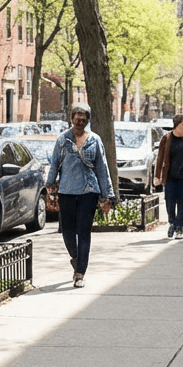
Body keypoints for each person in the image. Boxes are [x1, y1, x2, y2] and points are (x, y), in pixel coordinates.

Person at [45, 102, 113, 288]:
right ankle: (76, 256)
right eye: (77, 119)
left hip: (89, 191)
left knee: (84, 232)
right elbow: (54, 164)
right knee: (67, 231)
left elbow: (102, 168)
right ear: (72, 119)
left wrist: (107, 195)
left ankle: (80, 272)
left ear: (87, 120)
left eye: (83, 119)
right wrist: (49, 185)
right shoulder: (63, 140)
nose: (80, 122)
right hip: (66, 191)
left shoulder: (95, 140)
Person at [154, 114, 183, 239]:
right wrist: (157, 175)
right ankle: (172, 223)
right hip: (170, 177)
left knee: (182, 203)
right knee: (169, 202)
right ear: (177, 124)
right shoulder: (166, 138)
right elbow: (160, 158)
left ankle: (179, 229)